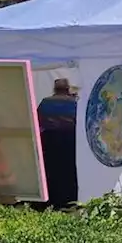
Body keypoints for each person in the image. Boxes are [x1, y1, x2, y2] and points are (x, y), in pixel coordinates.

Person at [37, 78, 80, 209]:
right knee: (68, 171)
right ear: (67, 89)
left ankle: (52, 199)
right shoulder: (74, 103)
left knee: (51, 171)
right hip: (69, 140)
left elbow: (38, 119)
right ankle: (68, 199)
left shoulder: (45, 102)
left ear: (55, 89)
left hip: (50, 140)